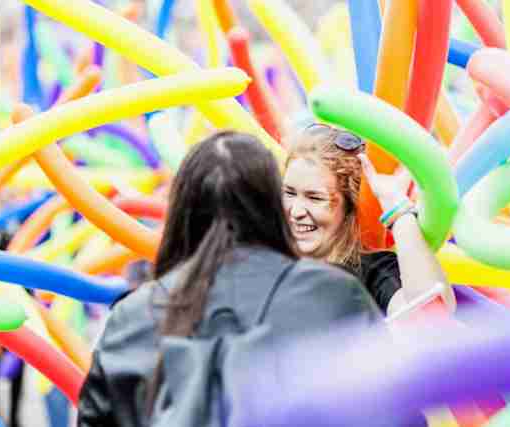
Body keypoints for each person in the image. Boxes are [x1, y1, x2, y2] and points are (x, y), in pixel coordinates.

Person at [78, 131, 378, 426]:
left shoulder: (130, 316)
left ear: (182, 209)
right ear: (271, 205)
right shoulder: (333, 296)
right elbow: (385, 408)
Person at [282, 123, 455, 316]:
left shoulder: (371, 272)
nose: (296, 211)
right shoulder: (265, 254)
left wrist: (397, 208)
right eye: (289, 193)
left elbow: (431, 316)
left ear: (349, 207)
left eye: (315, 198)